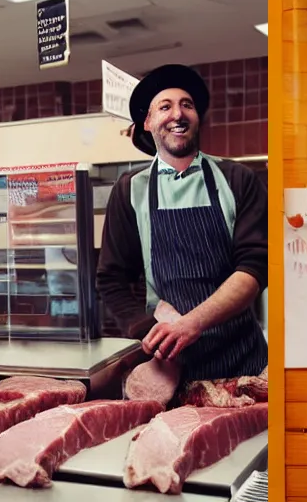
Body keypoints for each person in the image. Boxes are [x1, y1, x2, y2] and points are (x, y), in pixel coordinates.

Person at [98, 64, 268, 379]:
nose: (178, 114)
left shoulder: (237, 179)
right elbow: (112, 279)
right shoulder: (130, 190)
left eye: (186, 105)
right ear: (147, 123)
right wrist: (146, 325)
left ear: (197, 118)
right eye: (165, 106)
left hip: (243, 363)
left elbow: (255, 268)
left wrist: (191, 324)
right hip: (169, 368)